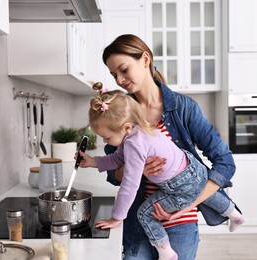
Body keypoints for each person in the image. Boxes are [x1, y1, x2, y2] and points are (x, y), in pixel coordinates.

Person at [100, 34, 239, 260]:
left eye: (124, 70)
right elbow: (113, 174)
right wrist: (137, 169)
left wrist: (188, 205)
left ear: (145, 59)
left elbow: (225, 162)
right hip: (139, 221)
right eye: (114, 74)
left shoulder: (184, 108)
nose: (120, 80)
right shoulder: (120, 112)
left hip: (181, 222)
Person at [79, 89, 244, 260]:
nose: (106, 142)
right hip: (193, 167)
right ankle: (235, 215)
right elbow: (116, 159)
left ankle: (166, 252)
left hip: (178, 186)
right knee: (200, 188)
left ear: (126, 127)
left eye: (107, 137)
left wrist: (116, 217)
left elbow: (129, 186)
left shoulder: (134, 145)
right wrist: (92, 161)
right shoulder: (140, 130)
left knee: (143, 214)